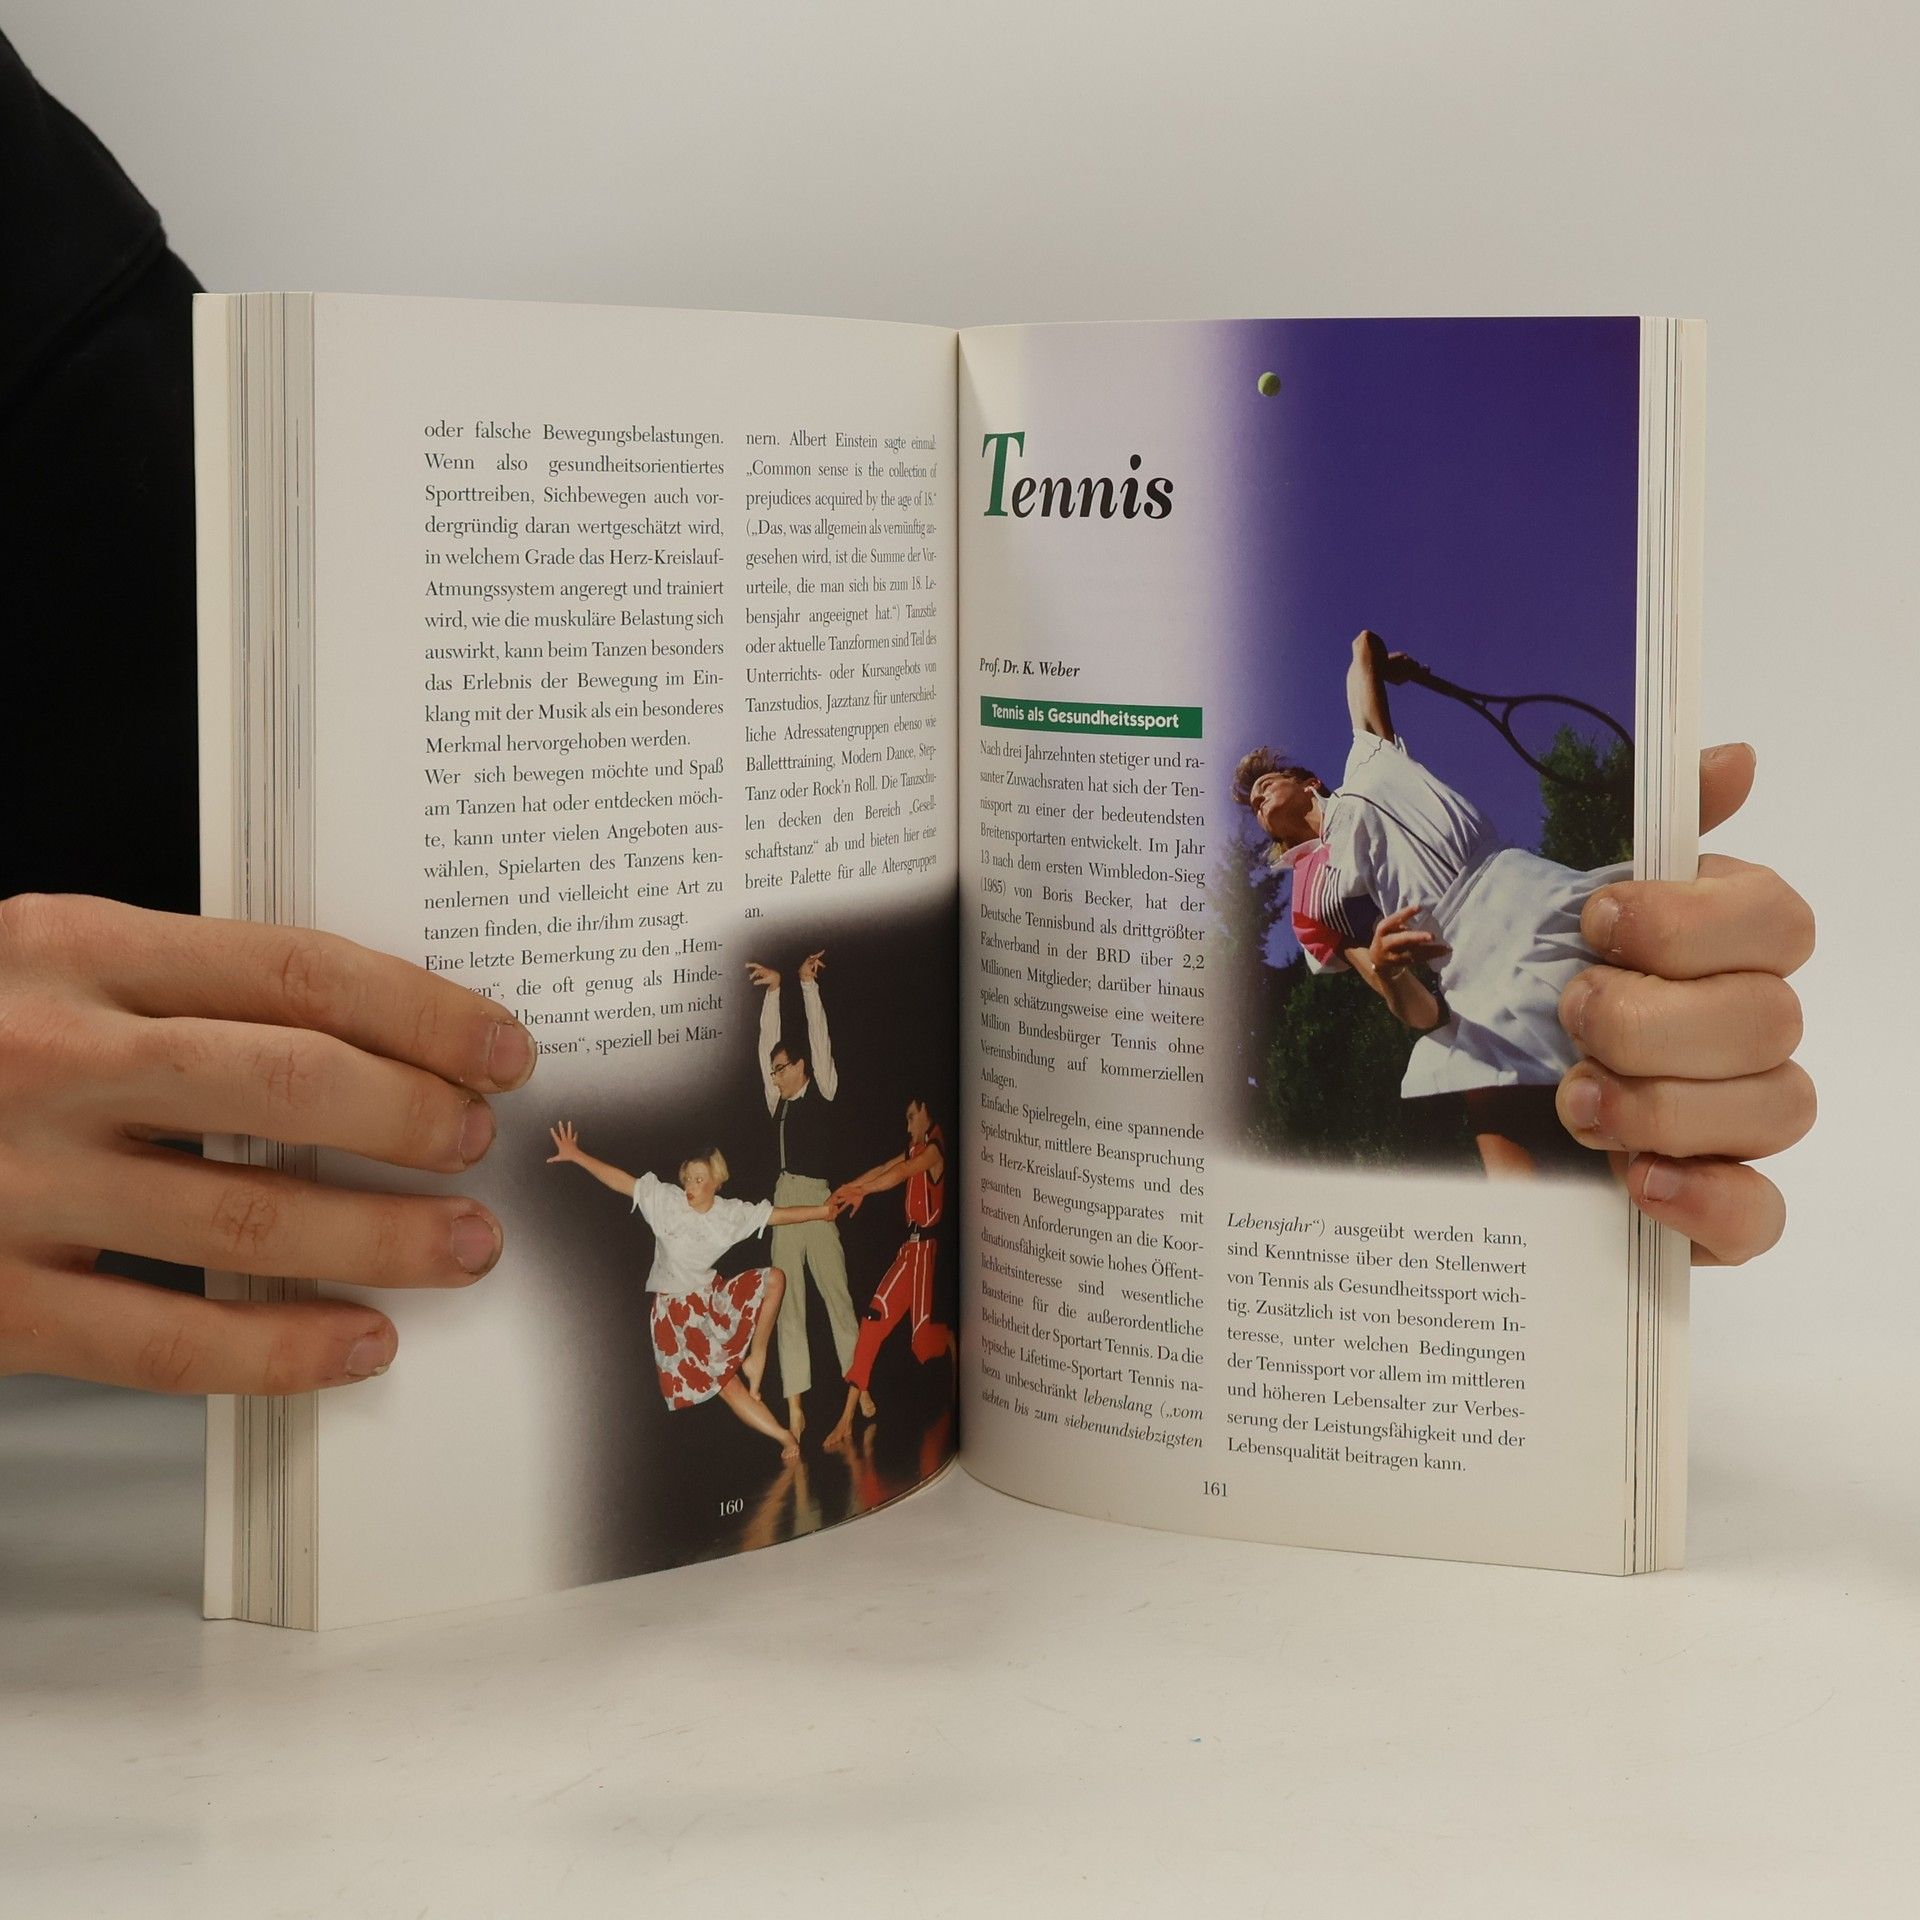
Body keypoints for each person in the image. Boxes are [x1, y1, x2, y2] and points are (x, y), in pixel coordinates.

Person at [0, 46, 1815, 1402]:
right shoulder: (1312, 890)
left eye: (1275, 773)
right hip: (240, 1405)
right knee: (1467, 1102)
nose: (1275, 789)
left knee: (1582, 1121)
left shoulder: (1368, 774)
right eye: (1259, 784)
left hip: (1521, 921)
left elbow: (220, 700)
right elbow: (1375, 986)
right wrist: (1396, 984)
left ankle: (1552, 1358)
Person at [1232, 630, 1813, 1179]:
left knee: (1630, 1078)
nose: (1258, 799)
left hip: (1528, 889)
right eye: (1253, 807)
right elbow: (1421, 1015)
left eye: (1266, 783)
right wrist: (1387, 969)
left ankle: (1649, 1227)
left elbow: (1361, 645)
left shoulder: (1367, 755)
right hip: (1468, 967)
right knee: (1510, 1146)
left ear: (1307, 781)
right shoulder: (1315, 900)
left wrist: (1384, 665)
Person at [544, 1122, 842, 1460]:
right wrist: (576, 1155)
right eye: (687, 1178)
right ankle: (786, 1438)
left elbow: (776, 1215)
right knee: (727, 1387)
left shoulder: (730, 1214)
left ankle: (756, 1356)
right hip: (677, 1315)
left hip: (708, 1298)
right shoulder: (666, 1201)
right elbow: (620, 1180)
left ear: (717, 1182)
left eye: (699, 1180)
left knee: (775, 1278)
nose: (690, 1186)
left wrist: (823, 1211)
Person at [745, 950, 862, 1438]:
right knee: (787, 1301)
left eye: (781, 1068)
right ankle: (795, 1406)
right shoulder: (777, 1100)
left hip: (820, 1199)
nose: (774, 1075)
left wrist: (806, 985)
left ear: (801, 1067)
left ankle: (860, 1383)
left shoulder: (824, 1087)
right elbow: (765, 1047)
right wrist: (774, 992)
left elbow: (819, 1038)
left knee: (837, 1295)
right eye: (773, 1072)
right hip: (784, 1203)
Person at [821, 1099, 954, 1450]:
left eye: (911, 1117)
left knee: (921, 1345)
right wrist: (849, 1188)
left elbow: (902, 1174)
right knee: (871, 1322)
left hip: (924, 1255)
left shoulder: (935, 1150)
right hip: (908, 1252)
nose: (908, 1126)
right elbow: (884, 1167)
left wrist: (863, 1190)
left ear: (926, 1111)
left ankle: (949, 1340)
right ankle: (846, 1419)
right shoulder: (915, 1147)